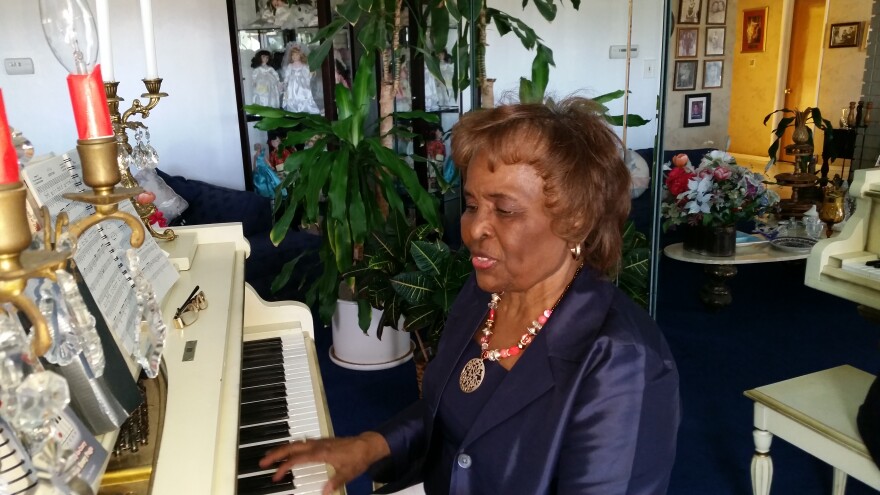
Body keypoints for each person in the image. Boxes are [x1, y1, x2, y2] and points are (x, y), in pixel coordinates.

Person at [259, 97, 681, 494]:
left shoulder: (624, 363)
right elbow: (450, 415)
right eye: (472, 204)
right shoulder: (485, 295)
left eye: (505, 210)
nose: (474, 229)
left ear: (576, 220)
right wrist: (370, 446)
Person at [281, 43, 320, 114]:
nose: (294, 56)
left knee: (304, 94)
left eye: (296, 55)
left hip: (302, 84)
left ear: (300, 55)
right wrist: (285, 83)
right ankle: (293, 109)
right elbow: (287, 75)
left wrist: (311, 74)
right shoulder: (290, 66)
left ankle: (305, 108)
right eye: (293, 55)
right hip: (292, 85)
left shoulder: (304, 66)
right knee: (292, 96)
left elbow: (307, 76)